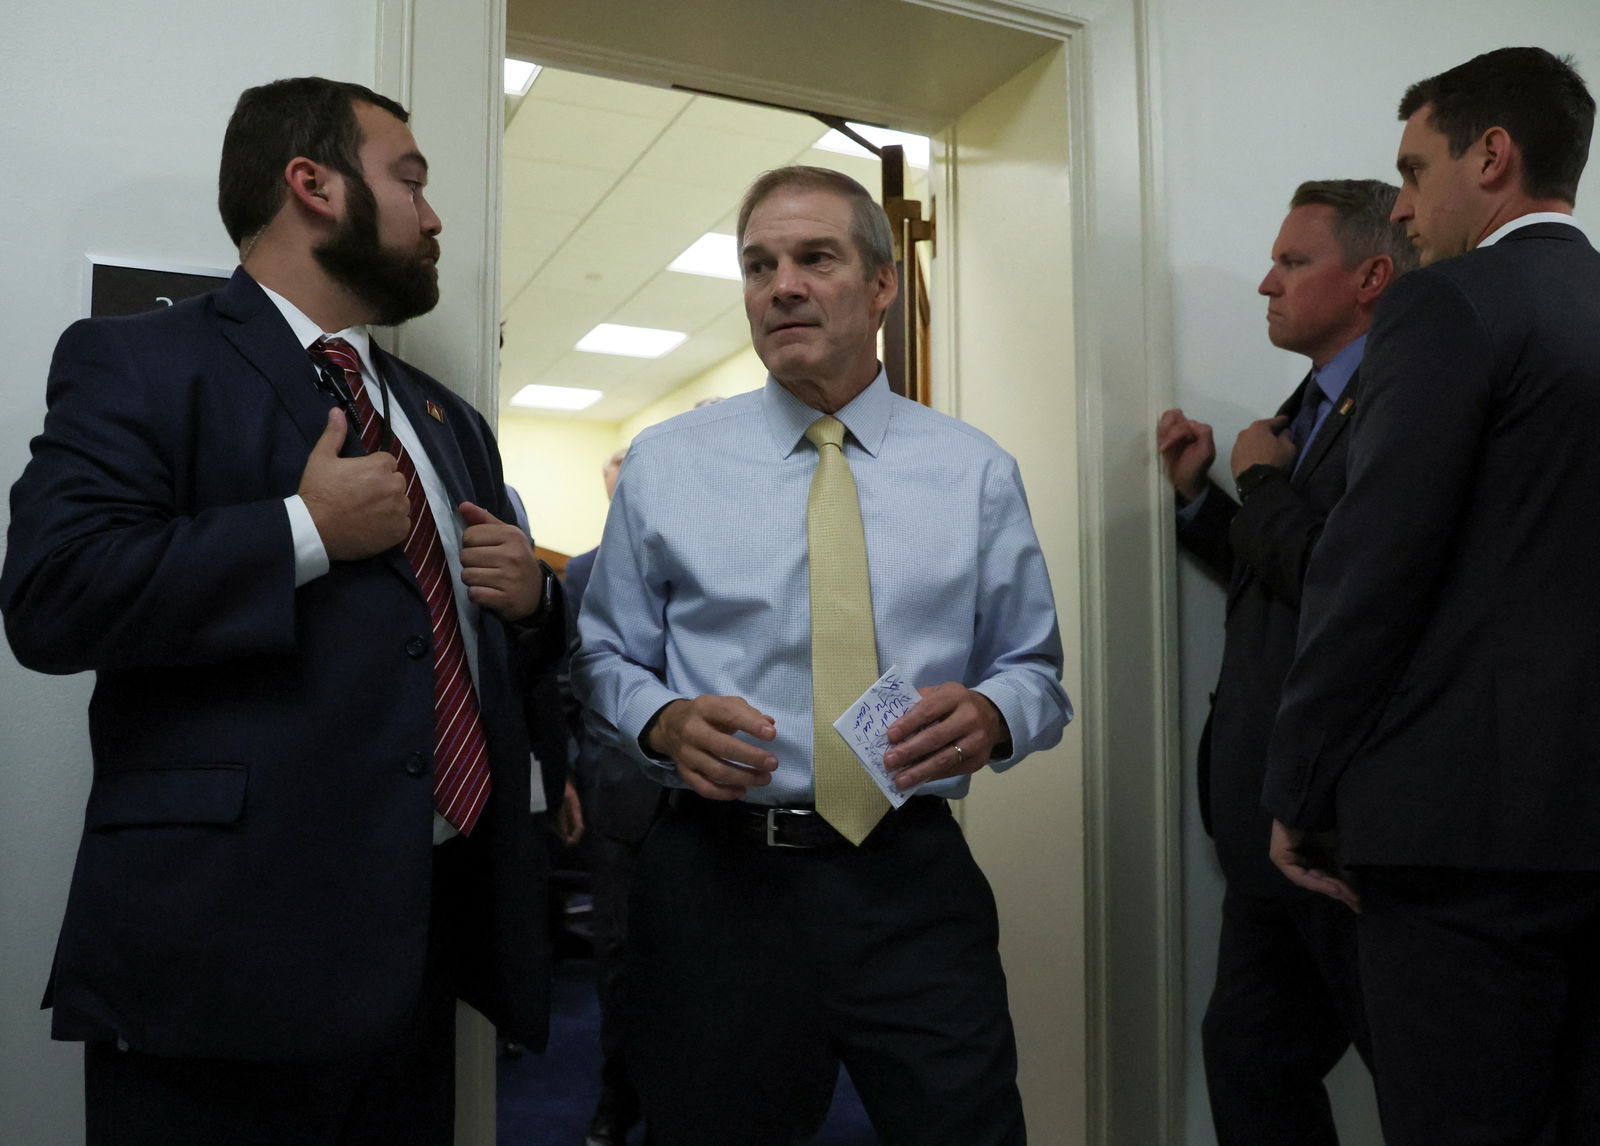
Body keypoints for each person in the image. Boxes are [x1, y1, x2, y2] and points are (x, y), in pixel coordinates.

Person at [0, 77, 564, 1145]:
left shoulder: (448, 419)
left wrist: (535, 602)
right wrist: (303, 530)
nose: (434, 217)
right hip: (222, 965)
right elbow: (51, 595)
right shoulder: (140, 360)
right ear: (313, 184)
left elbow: (454, 648)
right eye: (410, 182)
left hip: (420, 960)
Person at [573, 165, 1071, 1146]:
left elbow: (1034, 669)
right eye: (759, 266)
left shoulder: (972, 470)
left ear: (882, 285)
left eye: (815, 258)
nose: (782, 287)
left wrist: (995, 713)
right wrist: (662, 720)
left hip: (908, 879)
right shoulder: (668, 463)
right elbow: (602, 657)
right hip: (716, 881)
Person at [1261, 48, 1600, 1146]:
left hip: (1461, 840)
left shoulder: (1448, 304)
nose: (1402, 208)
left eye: (1414, 171)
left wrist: (1300, 787)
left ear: (1491, 156)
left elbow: (1372, 568)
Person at [1159, 178, 1412, 1145]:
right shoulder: (1311, 405)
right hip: (1270, 822)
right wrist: (1204, 502)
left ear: (1371, 277)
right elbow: (1289, 585)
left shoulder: (1402, 402)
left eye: (1294, 262)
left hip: (1347, 825)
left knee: (1426, 1081)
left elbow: (1350, 587)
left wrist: (1261, 479)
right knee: (1250, 1061)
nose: (1267, 282)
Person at [562, 445, 660, 1146]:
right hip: (621, 795)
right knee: (621, 955)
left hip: (720, 796)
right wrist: (568, 776)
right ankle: (617, 1099)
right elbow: (571, 683)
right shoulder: (582, 572)